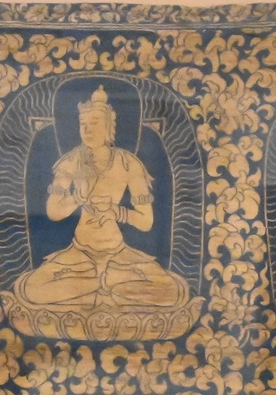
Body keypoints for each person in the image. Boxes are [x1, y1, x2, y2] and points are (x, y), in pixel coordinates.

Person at [16, 88, 188, 310]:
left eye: (94, 123)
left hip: (118, 253)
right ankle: (104, 284)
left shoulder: (128, 163)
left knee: (170, 291)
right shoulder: (71, 162)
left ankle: (99, 283)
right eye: (83, 124)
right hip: (79, 253)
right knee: (33, 288)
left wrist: (117, 212)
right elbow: (53, 212)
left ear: (108, 126)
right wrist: (77, 198)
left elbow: (146, 222)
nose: (87, 130)